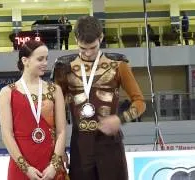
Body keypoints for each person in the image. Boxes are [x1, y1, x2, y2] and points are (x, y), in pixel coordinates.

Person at [52, 15, 146, 180]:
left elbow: (140, 102)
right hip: (80, 145)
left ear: (101, 38)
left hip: (110, 145)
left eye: (93, 47)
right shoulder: (64, 67)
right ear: (75, 39)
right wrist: (57, 152)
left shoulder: (119, 65)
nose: (88, 53)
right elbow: (53, 111)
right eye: (82, 48)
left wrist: (121, 119)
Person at [0, 40, 68, 180]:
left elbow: (61, 131)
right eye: (40, 59)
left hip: (50, 164)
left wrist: (54, 166)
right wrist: (26, 168)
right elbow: (7, 135)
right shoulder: (7, 93)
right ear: (25, 60)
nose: (45, 63)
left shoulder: (55, 90)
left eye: (46, 59)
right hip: (21, 165)